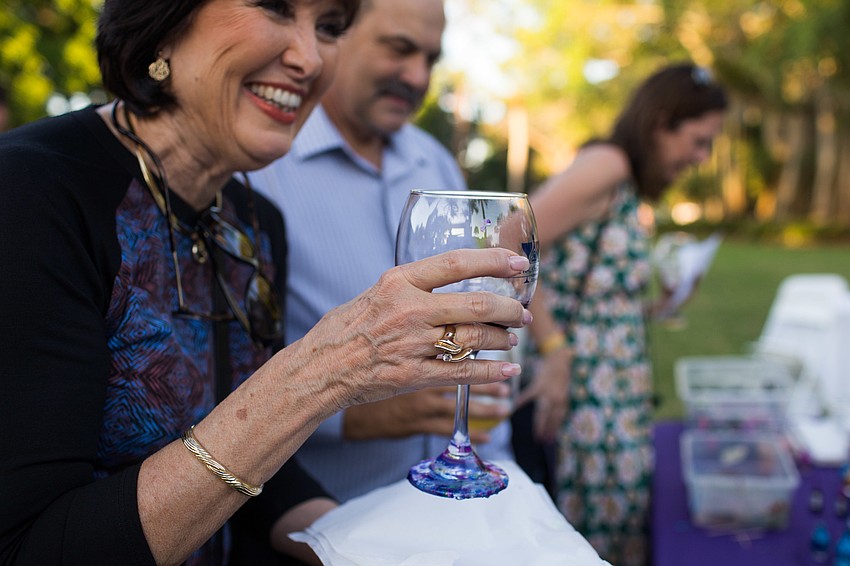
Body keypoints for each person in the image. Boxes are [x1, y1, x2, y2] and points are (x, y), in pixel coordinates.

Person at [0, 1, 533, 564]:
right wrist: (324, 371)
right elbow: (27, 547)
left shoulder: (251, 221)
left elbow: (255, 477)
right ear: (160, 24)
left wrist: (391, 553)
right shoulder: (31, 193)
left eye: (328, 28)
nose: (309, 57)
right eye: (275, 8)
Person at [249, 0, 514, 503]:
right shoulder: (262, 165)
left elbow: (476, 304)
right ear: (334, 33)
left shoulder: (434, 163)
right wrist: (351, 416)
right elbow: (216, 379)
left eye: (431, 59)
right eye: (399, 49)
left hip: (460, 510)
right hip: (324, 520)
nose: (417, 76)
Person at [519, 62, 728, 566]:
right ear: (661, 124)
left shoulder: (628, 183)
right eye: (698, 142)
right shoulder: (607, 164)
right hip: (585, 405)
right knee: (585, 544)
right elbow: (514, 239)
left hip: (614, 399)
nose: (700, 158)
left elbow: (600, 304)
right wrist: (554, 352)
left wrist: (663, 303)